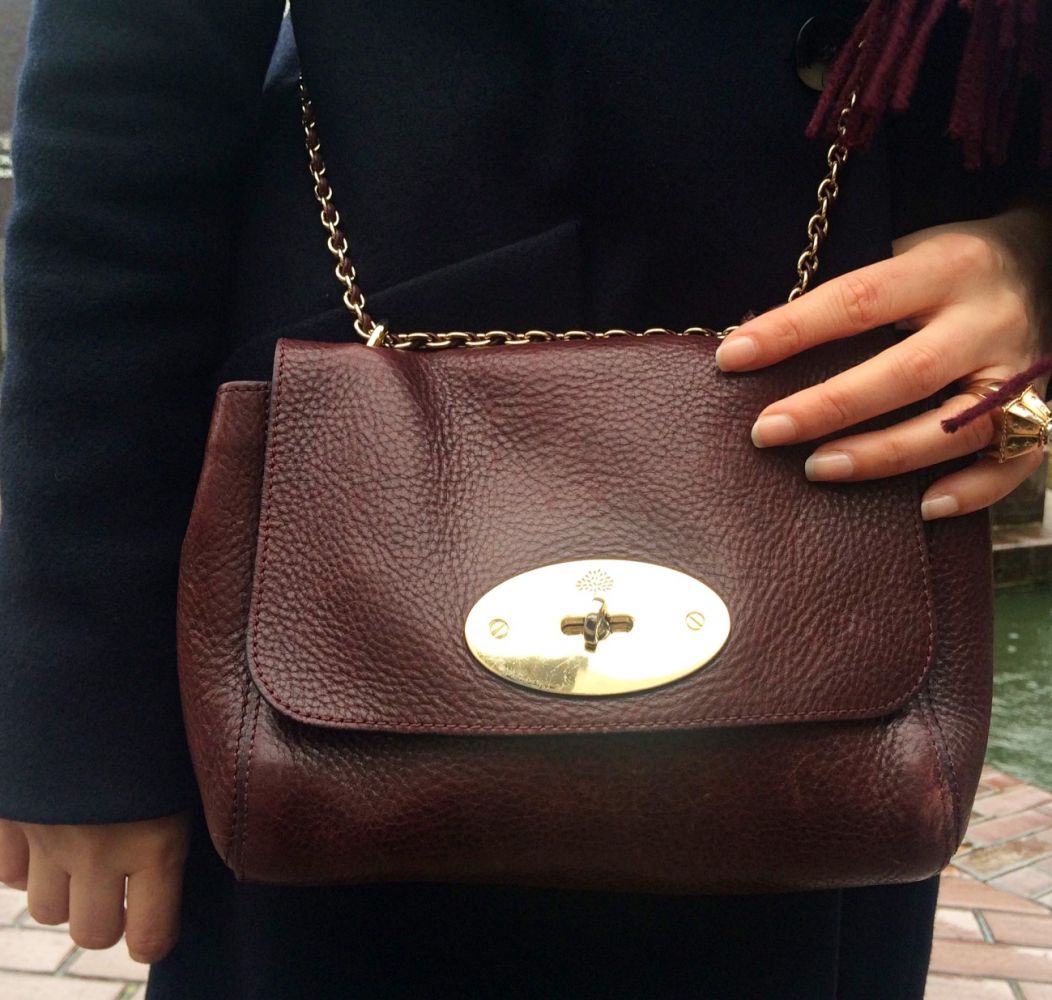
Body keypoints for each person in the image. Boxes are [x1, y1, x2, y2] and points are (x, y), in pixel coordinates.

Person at [0, 2, 1049, 997]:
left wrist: (1036, 263)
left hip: (844, 452)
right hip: (366, 495)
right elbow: (131, 78)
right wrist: (88, 698)